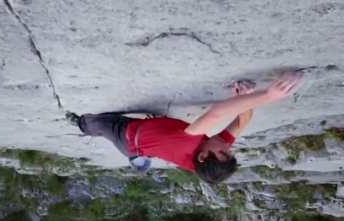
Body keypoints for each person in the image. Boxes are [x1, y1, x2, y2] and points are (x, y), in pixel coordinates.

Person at [66, 71, 303, 184]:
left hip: (127, 137)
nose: (227, 147)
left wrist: (269, 95)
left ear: (202, 155)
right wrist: (246, 96)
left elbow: (218, 113)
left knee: (98, 123)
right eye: (228, 152)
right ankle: (146, 150)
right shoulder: (210, 156)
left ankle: (79, 124)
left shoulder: (190, 141)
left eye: (224, 152)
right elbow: (243, 121)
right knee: (155, 131)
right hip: (150, 133)